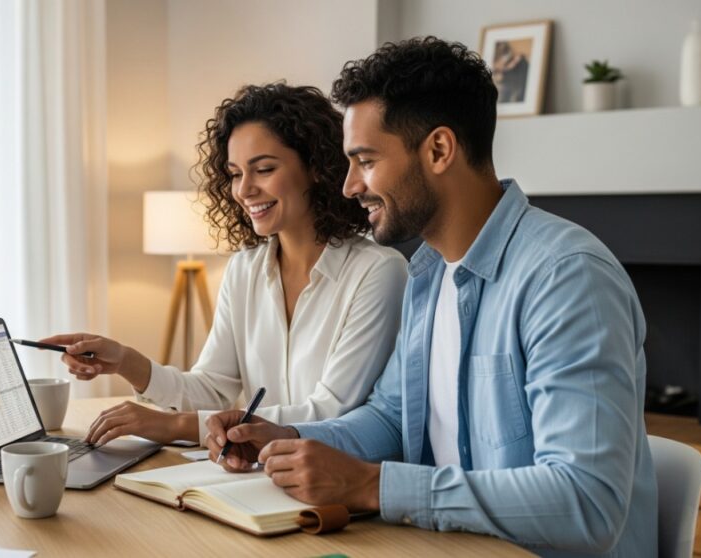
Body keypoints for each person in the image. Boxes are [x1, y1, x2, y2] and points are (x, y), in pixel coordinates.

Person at [203, 38, 657, 557]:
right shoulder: (429, 275)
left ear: (439, 150)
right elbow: (394, 417)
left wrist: (371, 485)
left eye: (366, 160)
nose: (349, 186)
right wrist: (284, 435)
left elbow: (587, 502)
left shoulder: (565, 277)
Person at [41, 83, 407, 447]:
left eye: (263, 169)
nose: (244, 190)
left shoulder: (378, 272)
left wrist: (177, 427)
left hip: (331, 488)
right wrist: (124, 361)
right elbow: (212, 388)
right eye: (235, 173)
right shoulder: (244, 271)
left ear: (316, 167)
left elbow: (330, 413)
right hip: (256, 475)